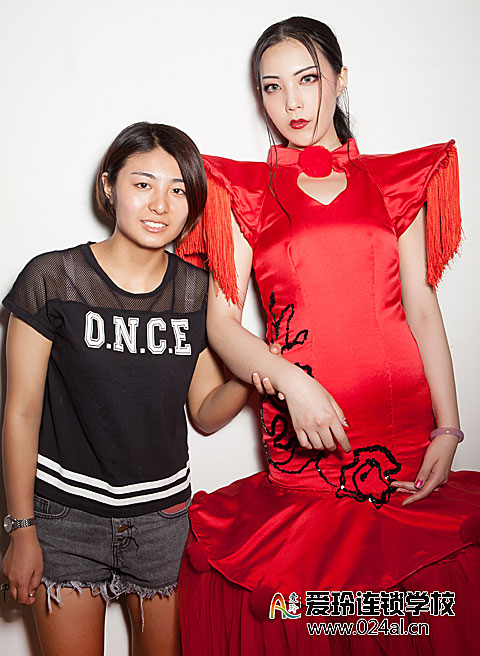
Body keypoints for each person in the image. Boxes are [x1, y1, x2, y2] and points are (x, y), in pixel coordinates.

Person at [176, 16, 480, 655]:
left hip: (404, 439)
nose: (291, 101)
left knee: (416, 617)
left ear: (341, 80)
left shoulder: (394, 181)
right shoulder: (242, 190)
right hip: (307, 441)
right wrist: (290, 383)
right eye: (272, 86)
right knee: (323, 619)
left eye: (308, 79)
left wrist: (449, 430)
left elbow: (423, 309)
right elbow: (221, 325)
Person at [0, 121, 277, 656]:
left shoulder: (196, 293)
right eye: (143, 184)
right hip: (65, 518)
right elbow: (20, 412)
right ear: (109, 186)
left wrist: (256, 371)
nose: (160, 205)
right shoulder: (52, 279)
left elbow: (205, 411)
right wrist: (21, 529)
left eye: (178, 190)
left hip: (163, 522)